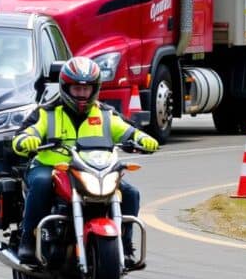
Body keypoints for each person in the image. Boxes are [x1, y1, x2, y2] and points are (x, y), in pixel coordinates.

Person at [10, 56, 158, 267]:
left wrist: (142, 138)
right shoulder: (47, 113)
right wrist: (27, 140)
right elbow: (22, 135)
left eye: (86, 89)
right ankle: (29, 240)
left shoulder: (105, 114)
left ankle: (124, 247)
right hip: (51, 167)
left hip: (93, 170)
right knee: (42, 183)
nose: (81, 94)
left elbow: (127, 130)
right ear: (65, 88)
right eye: (76, 89)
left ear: (94, 89)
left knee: (131, 193)